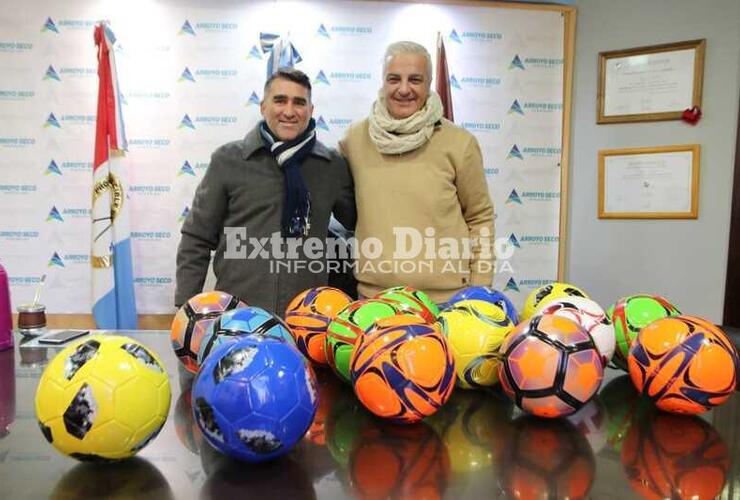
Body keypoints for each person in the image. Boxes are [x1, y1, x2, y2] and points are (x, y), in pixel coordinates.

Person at [175, 68, 356, 314]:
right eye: (280, 100)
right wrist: (187, 309)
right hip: (238, 317)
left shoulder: (330, 166)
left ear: (311, 111)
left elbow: (358, 221)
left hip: (305, 322)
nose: (289, 111)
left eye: (299, 102)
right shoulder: (229, 160)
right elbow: (197, 237)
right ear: (263, 107)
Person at [339, 41, 494, 305]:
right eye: (394, 79)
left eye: (415, 79)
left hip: (448, 303)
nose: (403, 89)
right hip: (374, 302)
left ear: (429, 83)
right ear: (383, 82)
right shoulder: (354, 140)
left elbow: (480, 218)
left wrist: (479, 292)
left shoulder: (459, 143)